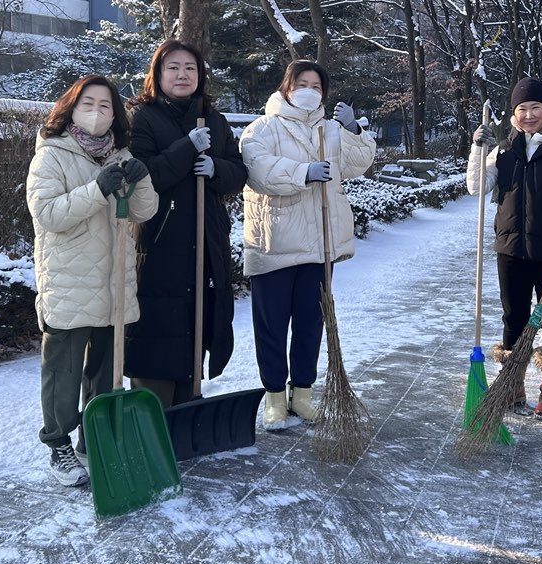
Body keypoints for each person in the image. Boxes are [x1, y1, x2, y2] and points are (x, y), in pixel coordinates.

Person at [26, 74, 158, 487]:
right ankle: (58, 443)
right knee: (62, 370)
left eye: (105, 106)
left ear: (115, 115)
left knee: (103, 372)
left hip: (113, 283)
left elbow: (144, 212)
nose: (97, 113)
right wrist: (97, 190)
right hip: (68, 283)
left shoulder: (120, 156)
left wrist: (141, 179)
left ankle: (94, 437)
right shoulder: (51, 156)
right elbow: (48, 214)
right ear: (70, 109)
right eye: (88, 104)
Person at [240, 60, 376, 429]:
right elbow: (259, 170)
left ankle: (302, 392)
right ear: (286, 86)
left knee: (310, 322)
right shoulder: (263, 128)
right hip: (275, 244)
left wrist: (353, 130)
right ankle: (273, 397)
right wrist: (303, 172)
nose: (309, 90)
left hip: (318, 246)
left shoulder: (330, 130)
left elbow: (359, 163)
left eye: (316, 86)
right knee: (271, 325)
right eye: (302, 83)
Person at [125, 40, 248, 409]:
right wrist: (186, 148)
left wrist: (216, 170)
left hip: (206, 240)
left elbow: (238, 171)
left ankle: (186, 405)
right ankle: (152, 413)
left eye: (190, 68)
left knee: (197, 322)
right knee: (158, 326)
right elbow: (142, 175)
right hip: (160, 242)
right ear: (157, 74)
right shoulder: (141, 117)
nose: (182, 75)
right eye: (173, 67)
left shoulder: (214, 119)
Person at [466, 77, 542, 421]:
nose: (529, 114)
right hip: (511, 248)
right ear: (514, 114)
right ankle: (512, 381)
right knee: (513, 316)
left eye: (536, 107)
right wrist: (478, 149)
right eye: (522, 109)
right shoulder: (505, 150)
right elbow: (477, 187)